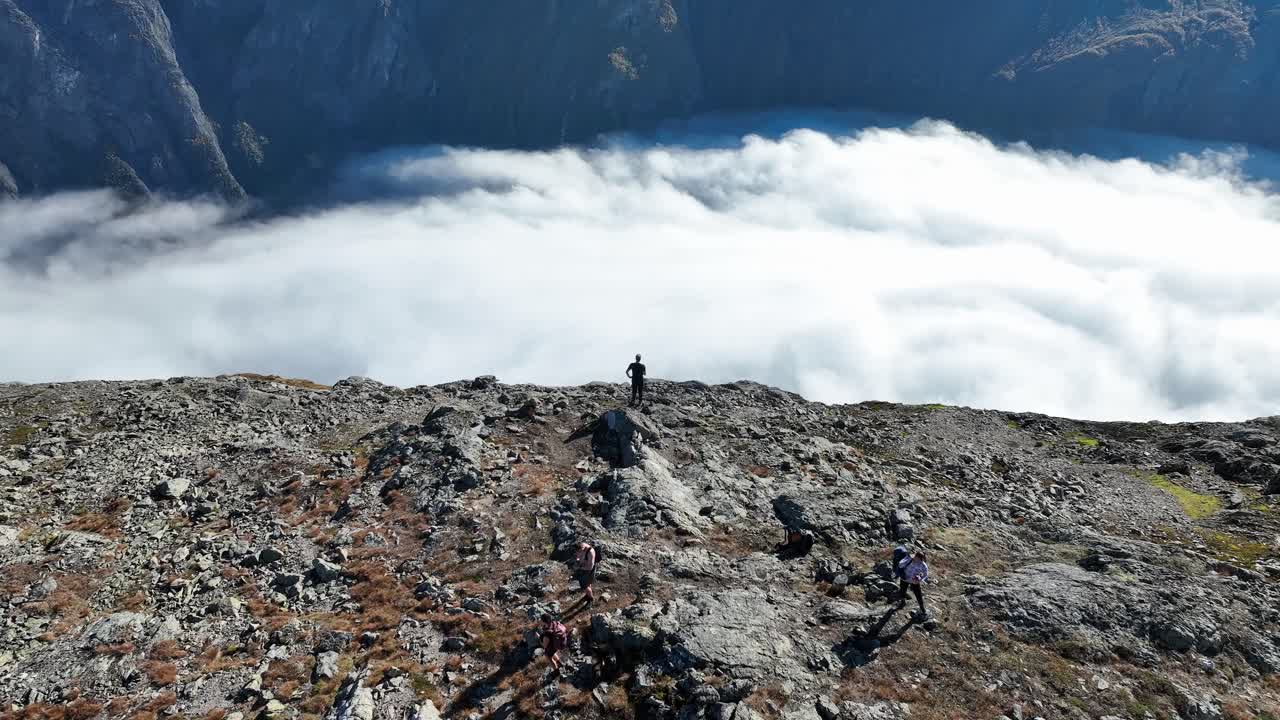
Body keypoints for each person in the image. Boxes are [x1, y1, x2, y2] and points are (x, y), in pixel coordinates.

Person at [896, 551, 929, 616]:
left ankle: (922, 608)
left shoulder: (923, 565)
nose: (915, 558)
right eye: (915, 556)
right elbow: (900, 565)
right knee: (902, 591)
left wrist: (920, 580)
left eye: (917, 558)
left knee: (918, 595)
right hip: (904, 578)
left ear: (920, 558)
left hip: (915, 581)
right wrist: (907, 559)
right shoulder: (909, 559)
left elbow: (925, 574)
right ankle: (902, 602)